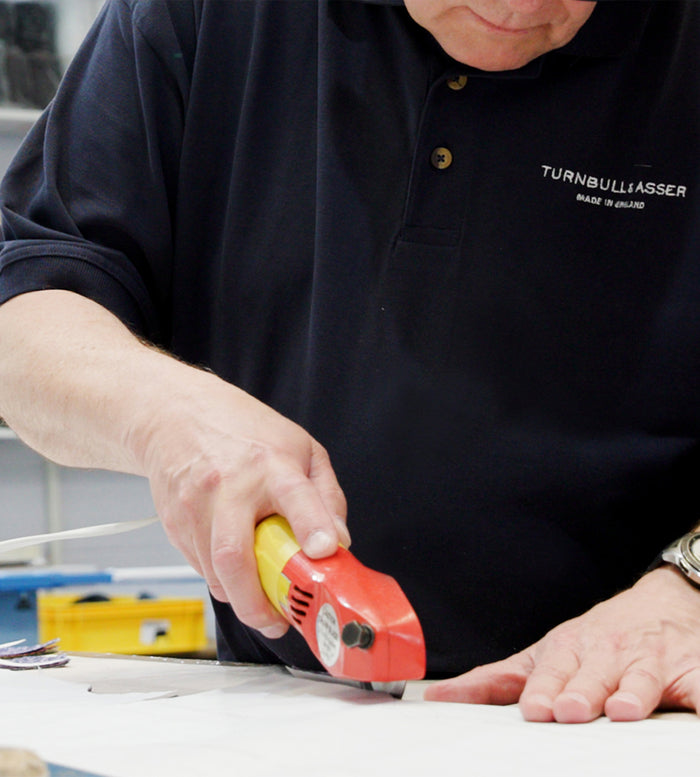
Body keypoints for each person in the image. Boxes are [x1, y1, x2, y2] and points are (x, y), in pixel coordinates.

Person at [0, 0, 699, 724]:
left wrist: (689, 585)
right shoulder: (209, 16)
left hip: (640, 709)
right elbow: (24, 312)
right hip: (302, 712)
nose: (517, 5)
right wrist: (167, 413)